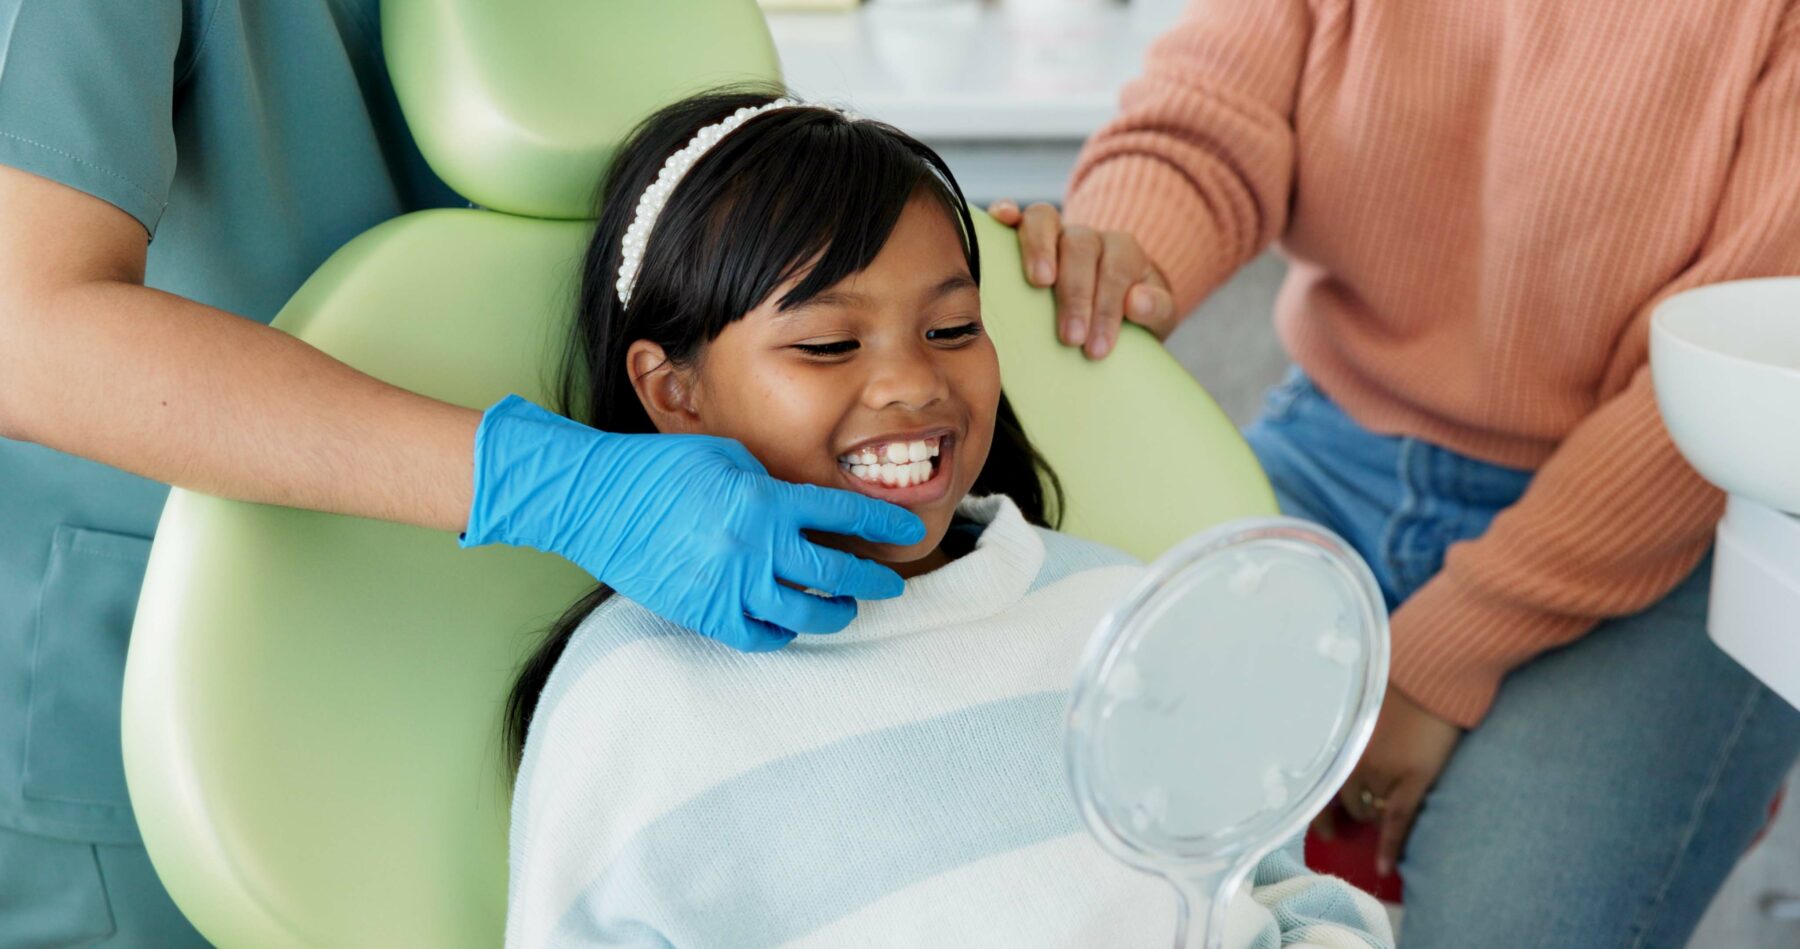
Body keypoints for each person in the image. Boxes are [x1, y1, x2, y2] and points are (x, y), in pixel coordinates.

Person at [0, 3, 920, 943]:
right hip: (160, 692)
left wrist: (1007, 265)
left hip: (525, 643)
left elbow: (715, 198)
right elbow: (25, 335)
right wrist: (559, 485)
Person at [503, 89, 1395, 949]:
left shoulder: (1114, 606)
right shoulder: (635, 697)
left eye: (954, 328)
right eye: (829, 344)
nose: (915, 383)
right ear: (674, 391)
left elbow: (1278, 891)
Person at [991, 0, 1800, 944]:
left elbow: (1743, 357)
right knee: (1046, 811)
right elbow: (1204, 127)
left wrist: (1432, 665)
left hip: (1672, 512)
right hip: (1337, 448)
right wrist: (1118, 273)